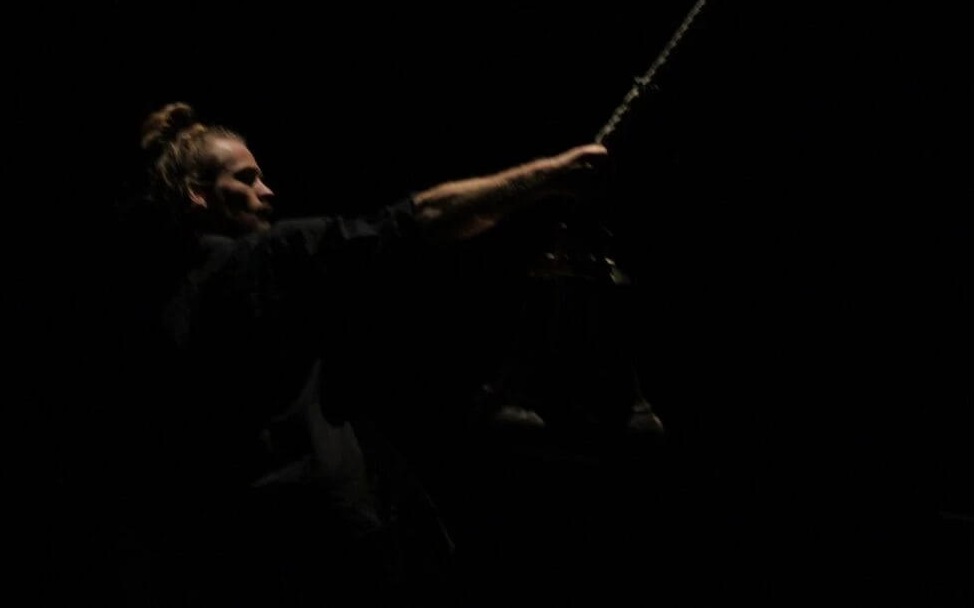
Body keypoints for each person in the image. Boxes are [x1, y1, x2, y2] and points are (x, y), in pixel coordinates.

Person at [116, 101, 609, 607]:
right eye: (247, 178)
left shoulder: (150, 295)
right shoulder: (270, 258)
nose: (267, 191)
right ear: (197, 193)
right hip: (327, 550)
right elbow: (417, 219)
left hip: (227, 555)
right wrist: (550, 176)